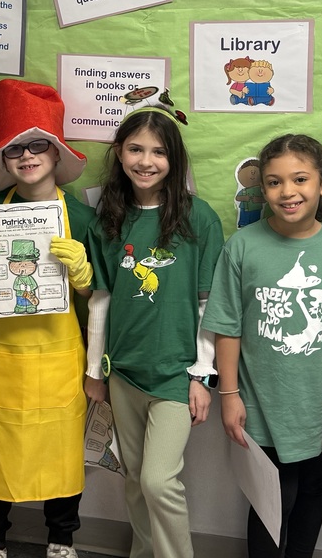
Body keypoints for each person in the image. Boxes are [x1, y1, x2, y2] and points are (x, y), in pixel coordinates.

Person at [0, 79, 96, 558]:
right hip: (1, 356)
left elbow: (97, 294)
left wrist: (82, 272)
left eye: (39, 145)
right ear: (4, 158)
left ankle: (62, 537)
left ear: (57, 154)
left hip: (59, 353)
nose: (28, 156)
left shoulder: (82, 216)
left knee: (61, 450)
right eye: (16, 148)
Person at [84, 100, 224, 558]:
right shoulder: (108, 218)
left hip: (176, 375)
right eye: (136, 149)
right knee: (134, 481)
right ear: (120, 154)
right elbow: (101, 299)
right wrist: (95, 371)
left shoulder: (197, 218)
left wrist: (203, 375)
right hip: (123, 372)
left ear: (174, 160)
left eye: (158, 152)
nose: (146, 161)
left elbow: (209, 304)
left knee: (157, 480)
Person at [202, 134, 322, 558]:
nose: (287, 192)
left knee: (311, 492)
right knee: (270, 501)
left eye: (300, 179)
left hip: (318, 406)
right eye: (273, 182)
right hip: (259, 404)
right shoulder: (243, 246)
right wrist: (229, 395)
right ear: (262, 189)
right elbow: (227, 327)